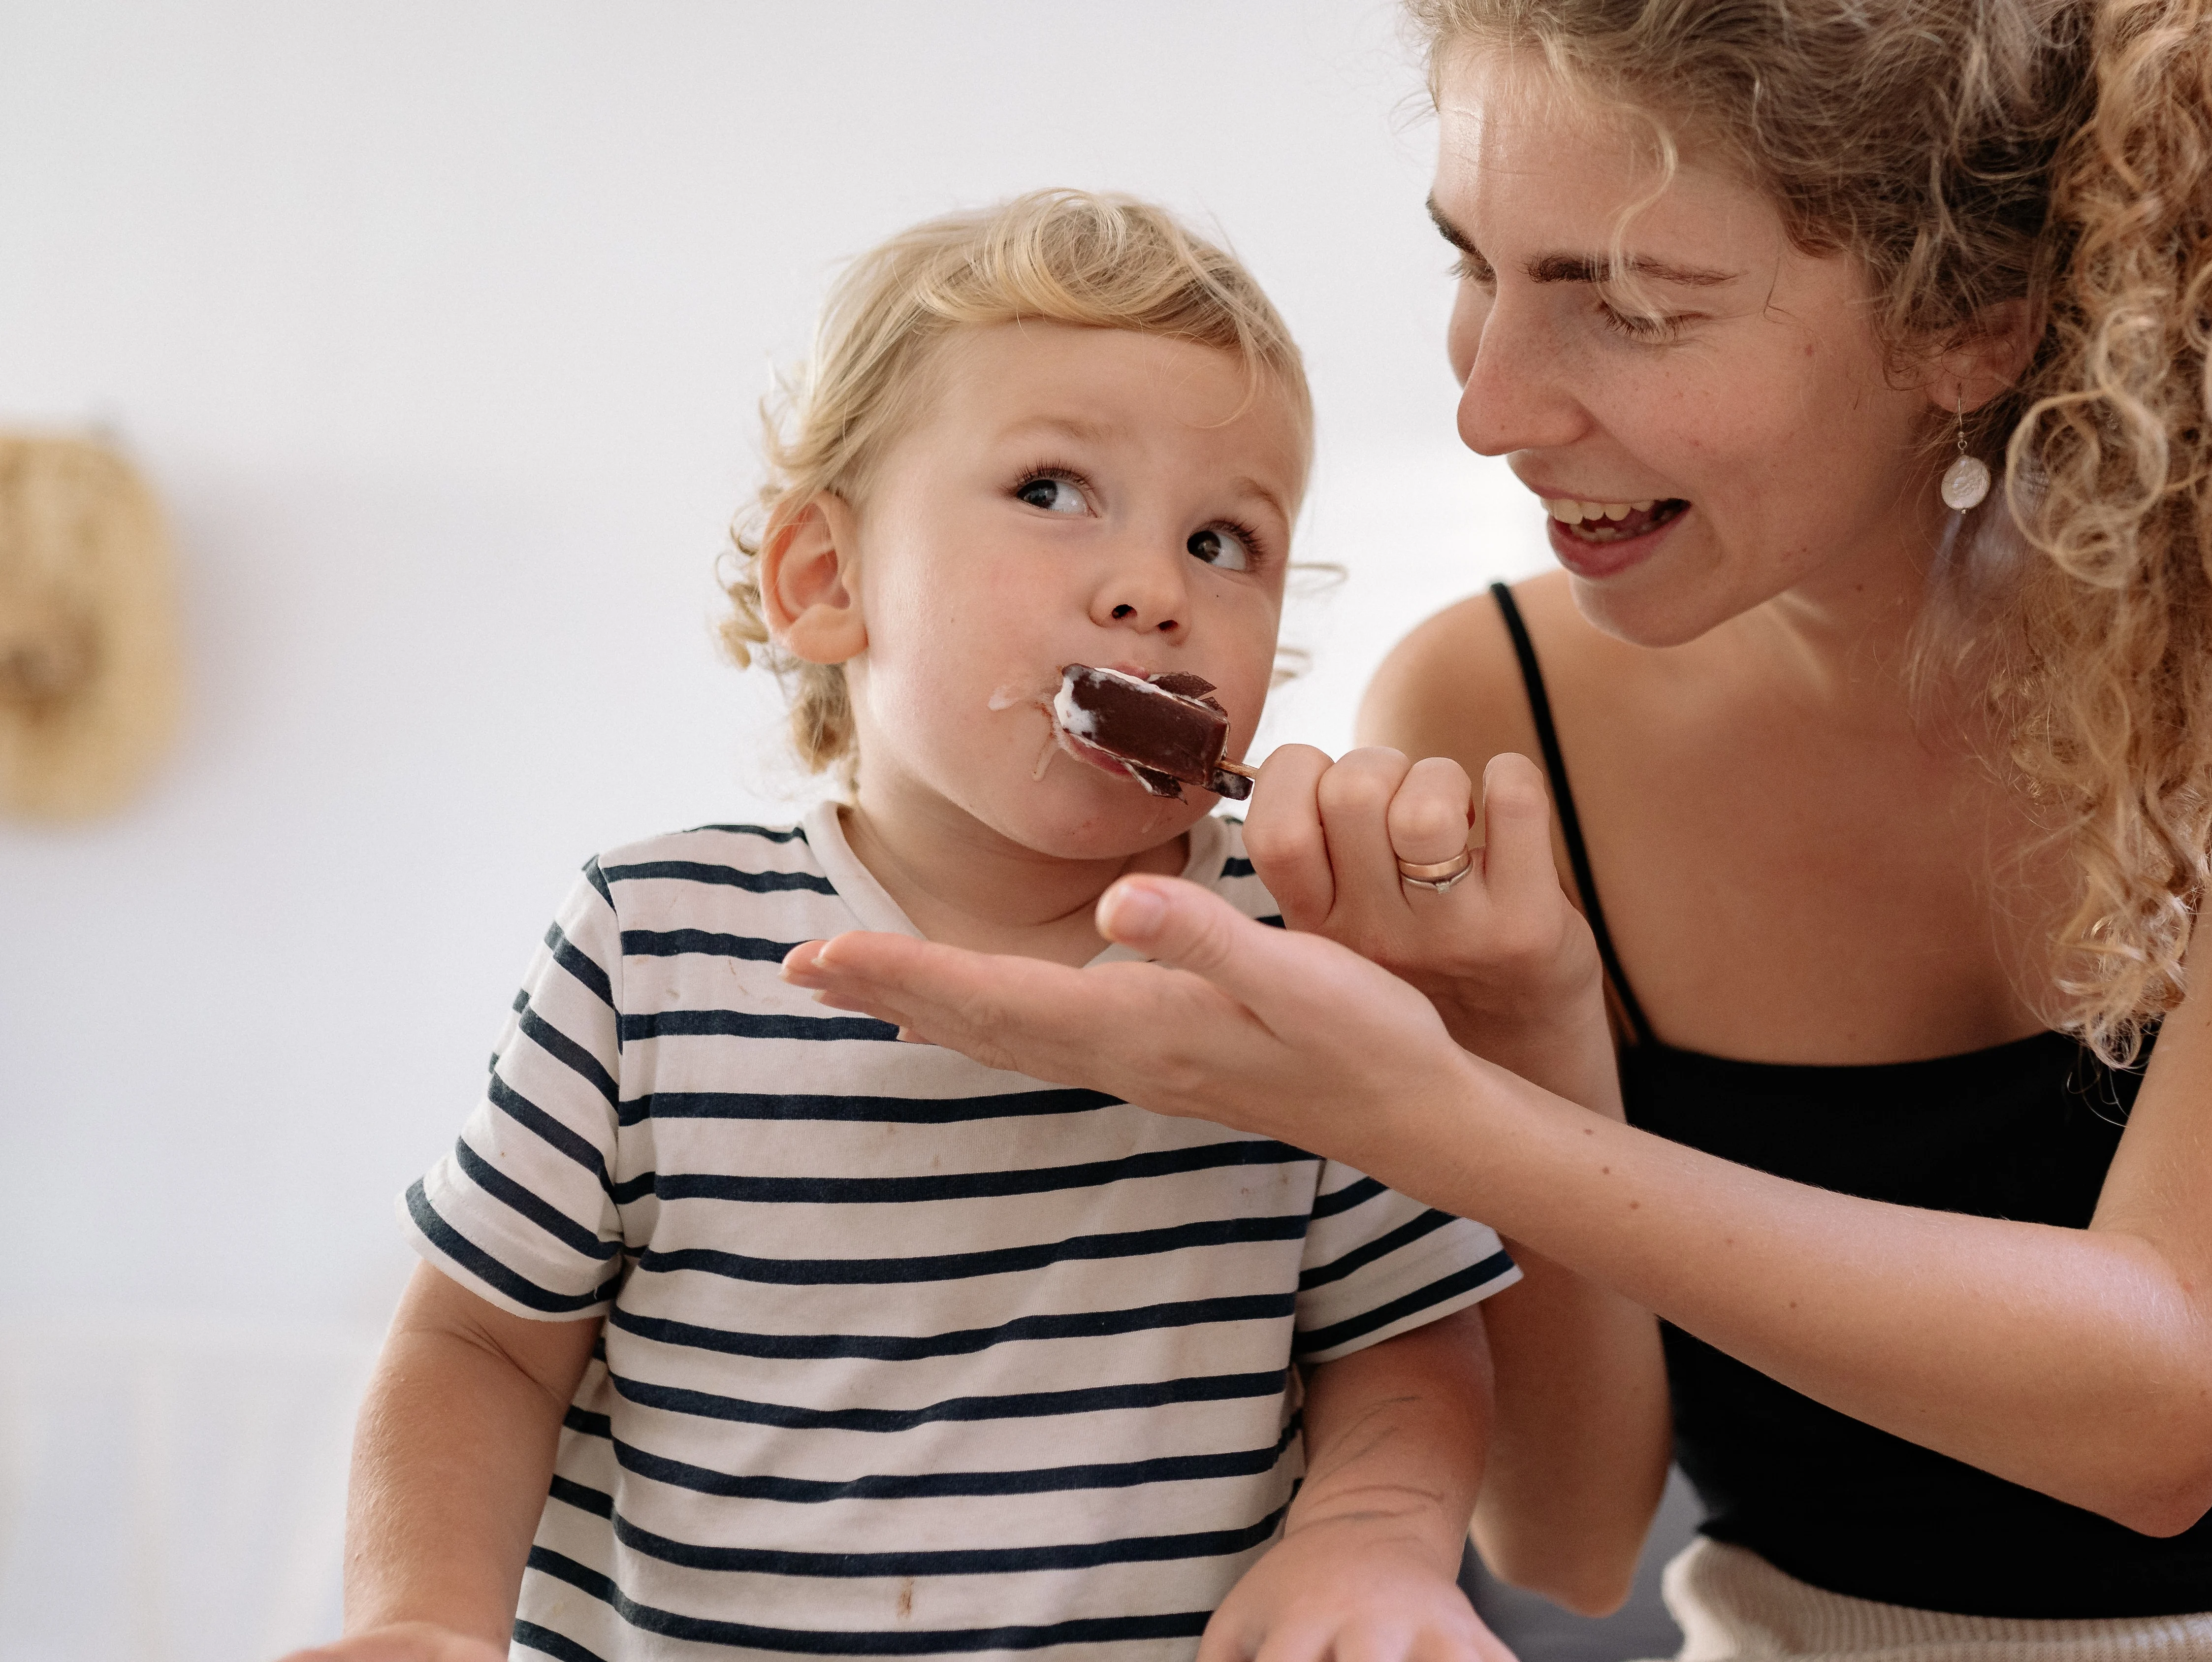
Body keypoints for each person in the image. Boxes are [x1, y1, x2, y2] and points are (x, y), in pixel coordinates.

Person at [786, 0, 2212, 1651]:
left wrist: (1429, 1108)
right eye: (1473, 265)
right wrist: (1534, 1023)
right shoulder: (1488, 713)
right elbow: (1566, 1536)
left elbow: (2172, 1403)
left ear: (1969, 319)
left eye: (1627, 303)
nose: (1489, 406)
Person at [287, 193, 1523, 1662]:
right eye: (1055, 490)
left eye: (1223, 538)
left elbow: (1404, 1336)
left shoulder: (1294, 961)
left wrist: (1369, 1539)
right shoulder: (655, 944)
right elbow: (479, 1343)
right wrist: (419, 1619)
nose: (1152, 589)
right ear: (828, 580)